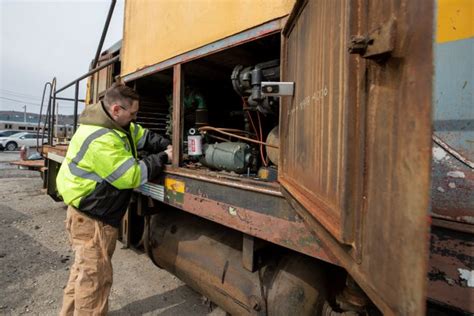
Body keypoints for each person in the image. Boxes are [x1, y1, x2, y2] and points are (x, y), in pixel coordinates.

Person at [56, 83, 172, 315]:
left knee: (83, 273)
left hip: (88, 212)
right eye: (133, 114)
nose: (135, 118)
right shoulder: (102, 138)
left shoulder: (114, 122)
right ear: (117, 109)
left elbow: (142, 135)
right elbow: (131, 176)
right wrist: (163, 158)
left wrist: (167, 143)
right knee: (95, 281)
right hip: (92, 219)